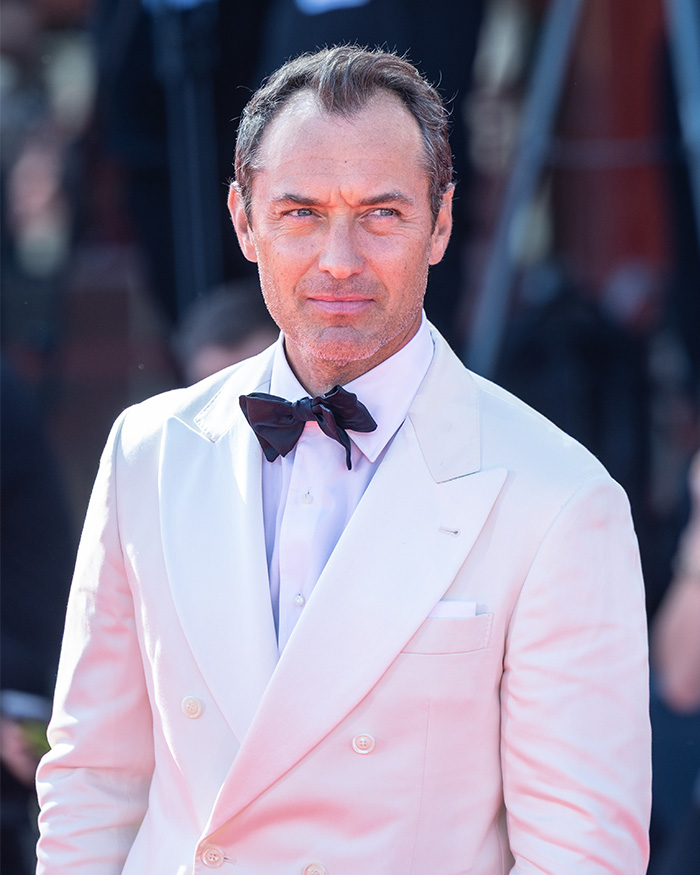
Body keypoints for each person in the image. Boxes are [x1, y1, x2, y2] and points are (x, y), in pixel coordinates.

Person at [36, 46, 651, 874]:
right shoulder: (147, 450)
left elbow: (580, 855)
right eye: (300, 212)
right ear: (243, 220)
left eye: (382, 213)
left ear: (440, 224)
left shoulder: (561, 500)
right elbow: (92, 786)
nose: (338, 258)